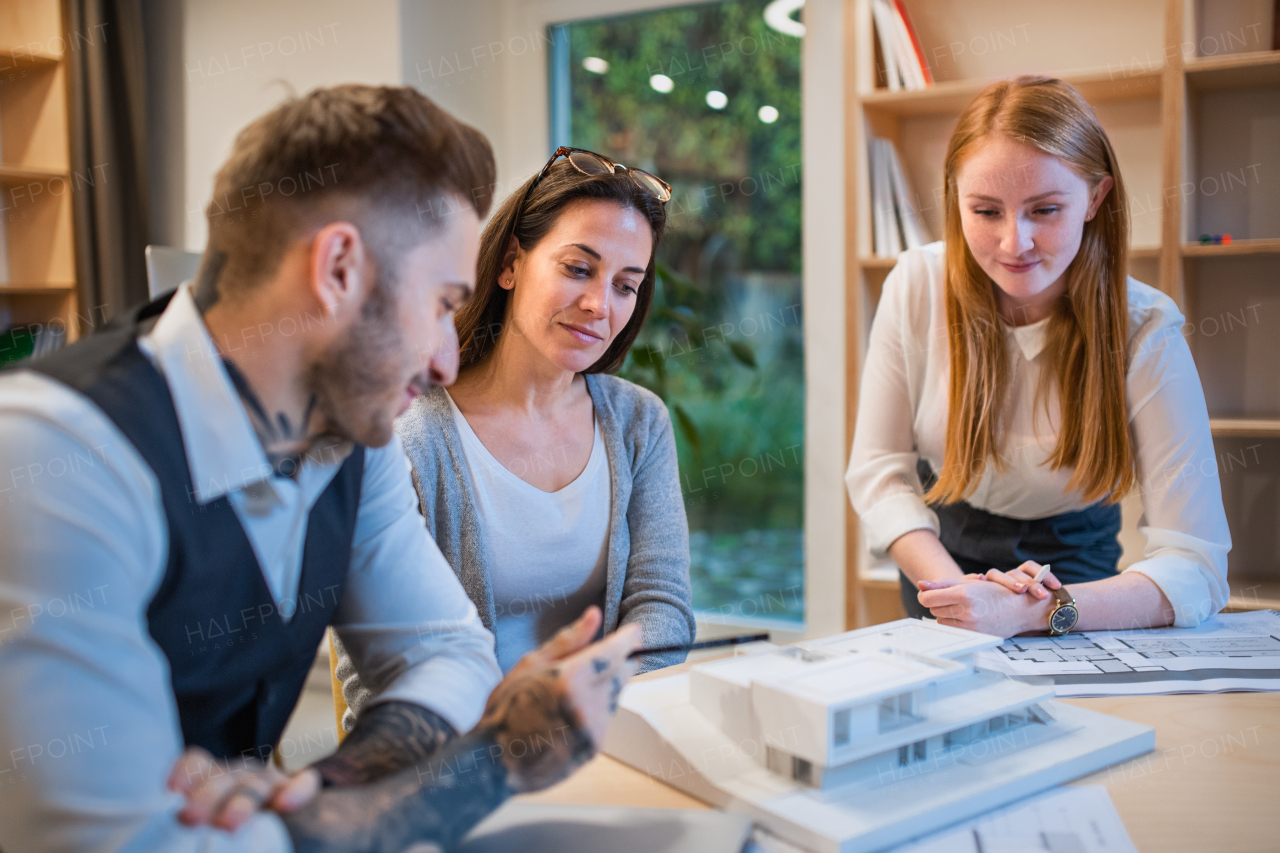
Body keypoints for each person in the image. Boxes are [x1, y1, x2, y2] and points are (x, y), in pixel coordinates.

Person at [0, 85, 640, 853]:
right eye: (442, 302)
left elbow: (448, 650)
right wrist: (490, 763)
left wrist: (324, 787)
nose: (446, 359)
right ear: (338, 267)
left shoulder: (347, 434)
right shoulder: (53, 458)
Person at [845, 76, 1231, 639]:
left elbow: (1198, 565)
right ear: (955, 196)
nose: (1013, 243)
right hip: (939, 560)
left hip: (1078, 575)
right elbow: (879, 476)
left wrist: (1032, 609)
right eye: (985, 211)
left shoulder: (1145, 327)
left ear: (1095, 199)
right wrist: (963, 598)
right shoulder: (916, 283)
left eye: (1044, 210)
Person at [334, 147, 694, 726]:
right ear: (510, 264)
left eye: (626, 286)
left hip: (607, 735)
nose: (599, 305)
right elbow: (382, 669)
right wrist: (506, 739)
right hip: (454, 753)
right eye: (578, 268)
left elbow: (661, 611)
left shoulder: (638, 423)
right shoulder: (411, 435)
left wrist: (593, 717)